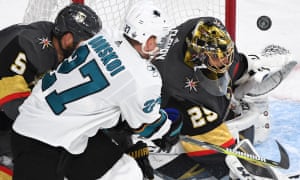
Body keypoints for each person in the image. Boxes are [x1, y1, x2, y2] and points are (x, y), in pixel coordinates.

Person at [11, 0, 182, 179]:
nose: (159, 47)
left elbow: (105, 94)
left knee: (125, 172)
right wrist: (169, 128)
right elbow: (149, 128)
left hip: (56, 127)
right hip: (37, 139)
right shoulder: (144, 79)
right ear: (148, 39)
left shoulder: (102, 35)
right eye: (158, 40)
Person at [150, 16, 296, 179]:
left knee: (232, 72)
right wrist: (246, 167)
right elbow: (223, 152)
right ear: (198, 58)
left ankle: (249, 82)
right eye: (217, 58)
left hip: (178, 79)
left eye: (226, 55)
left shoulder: (208, 29)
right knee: (222, 163)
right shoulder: (176, 85)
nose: (224, 61)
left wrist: (248, 70)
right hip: (162, 142)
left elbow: (227, 61)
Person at [0, 2, 101, 176]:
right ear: (68, 38)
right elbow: (10, 103)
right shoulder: (31, 48)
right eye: (85, 42)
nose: (87, 49)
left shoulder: (55, 42)